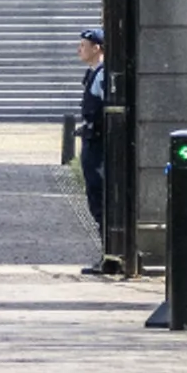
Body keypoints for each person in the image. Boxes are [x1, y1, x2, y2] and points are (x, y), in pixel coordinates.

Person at [74, 28, 114, 244]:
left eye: (82, 46)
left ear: (96, 48)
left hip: (99, 145)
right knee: (94, 196)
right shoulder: (94, 73)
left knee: (99, 196)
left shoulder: (102, 76)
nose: (78, 50)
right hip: (92, 142)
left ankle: (110, 250)